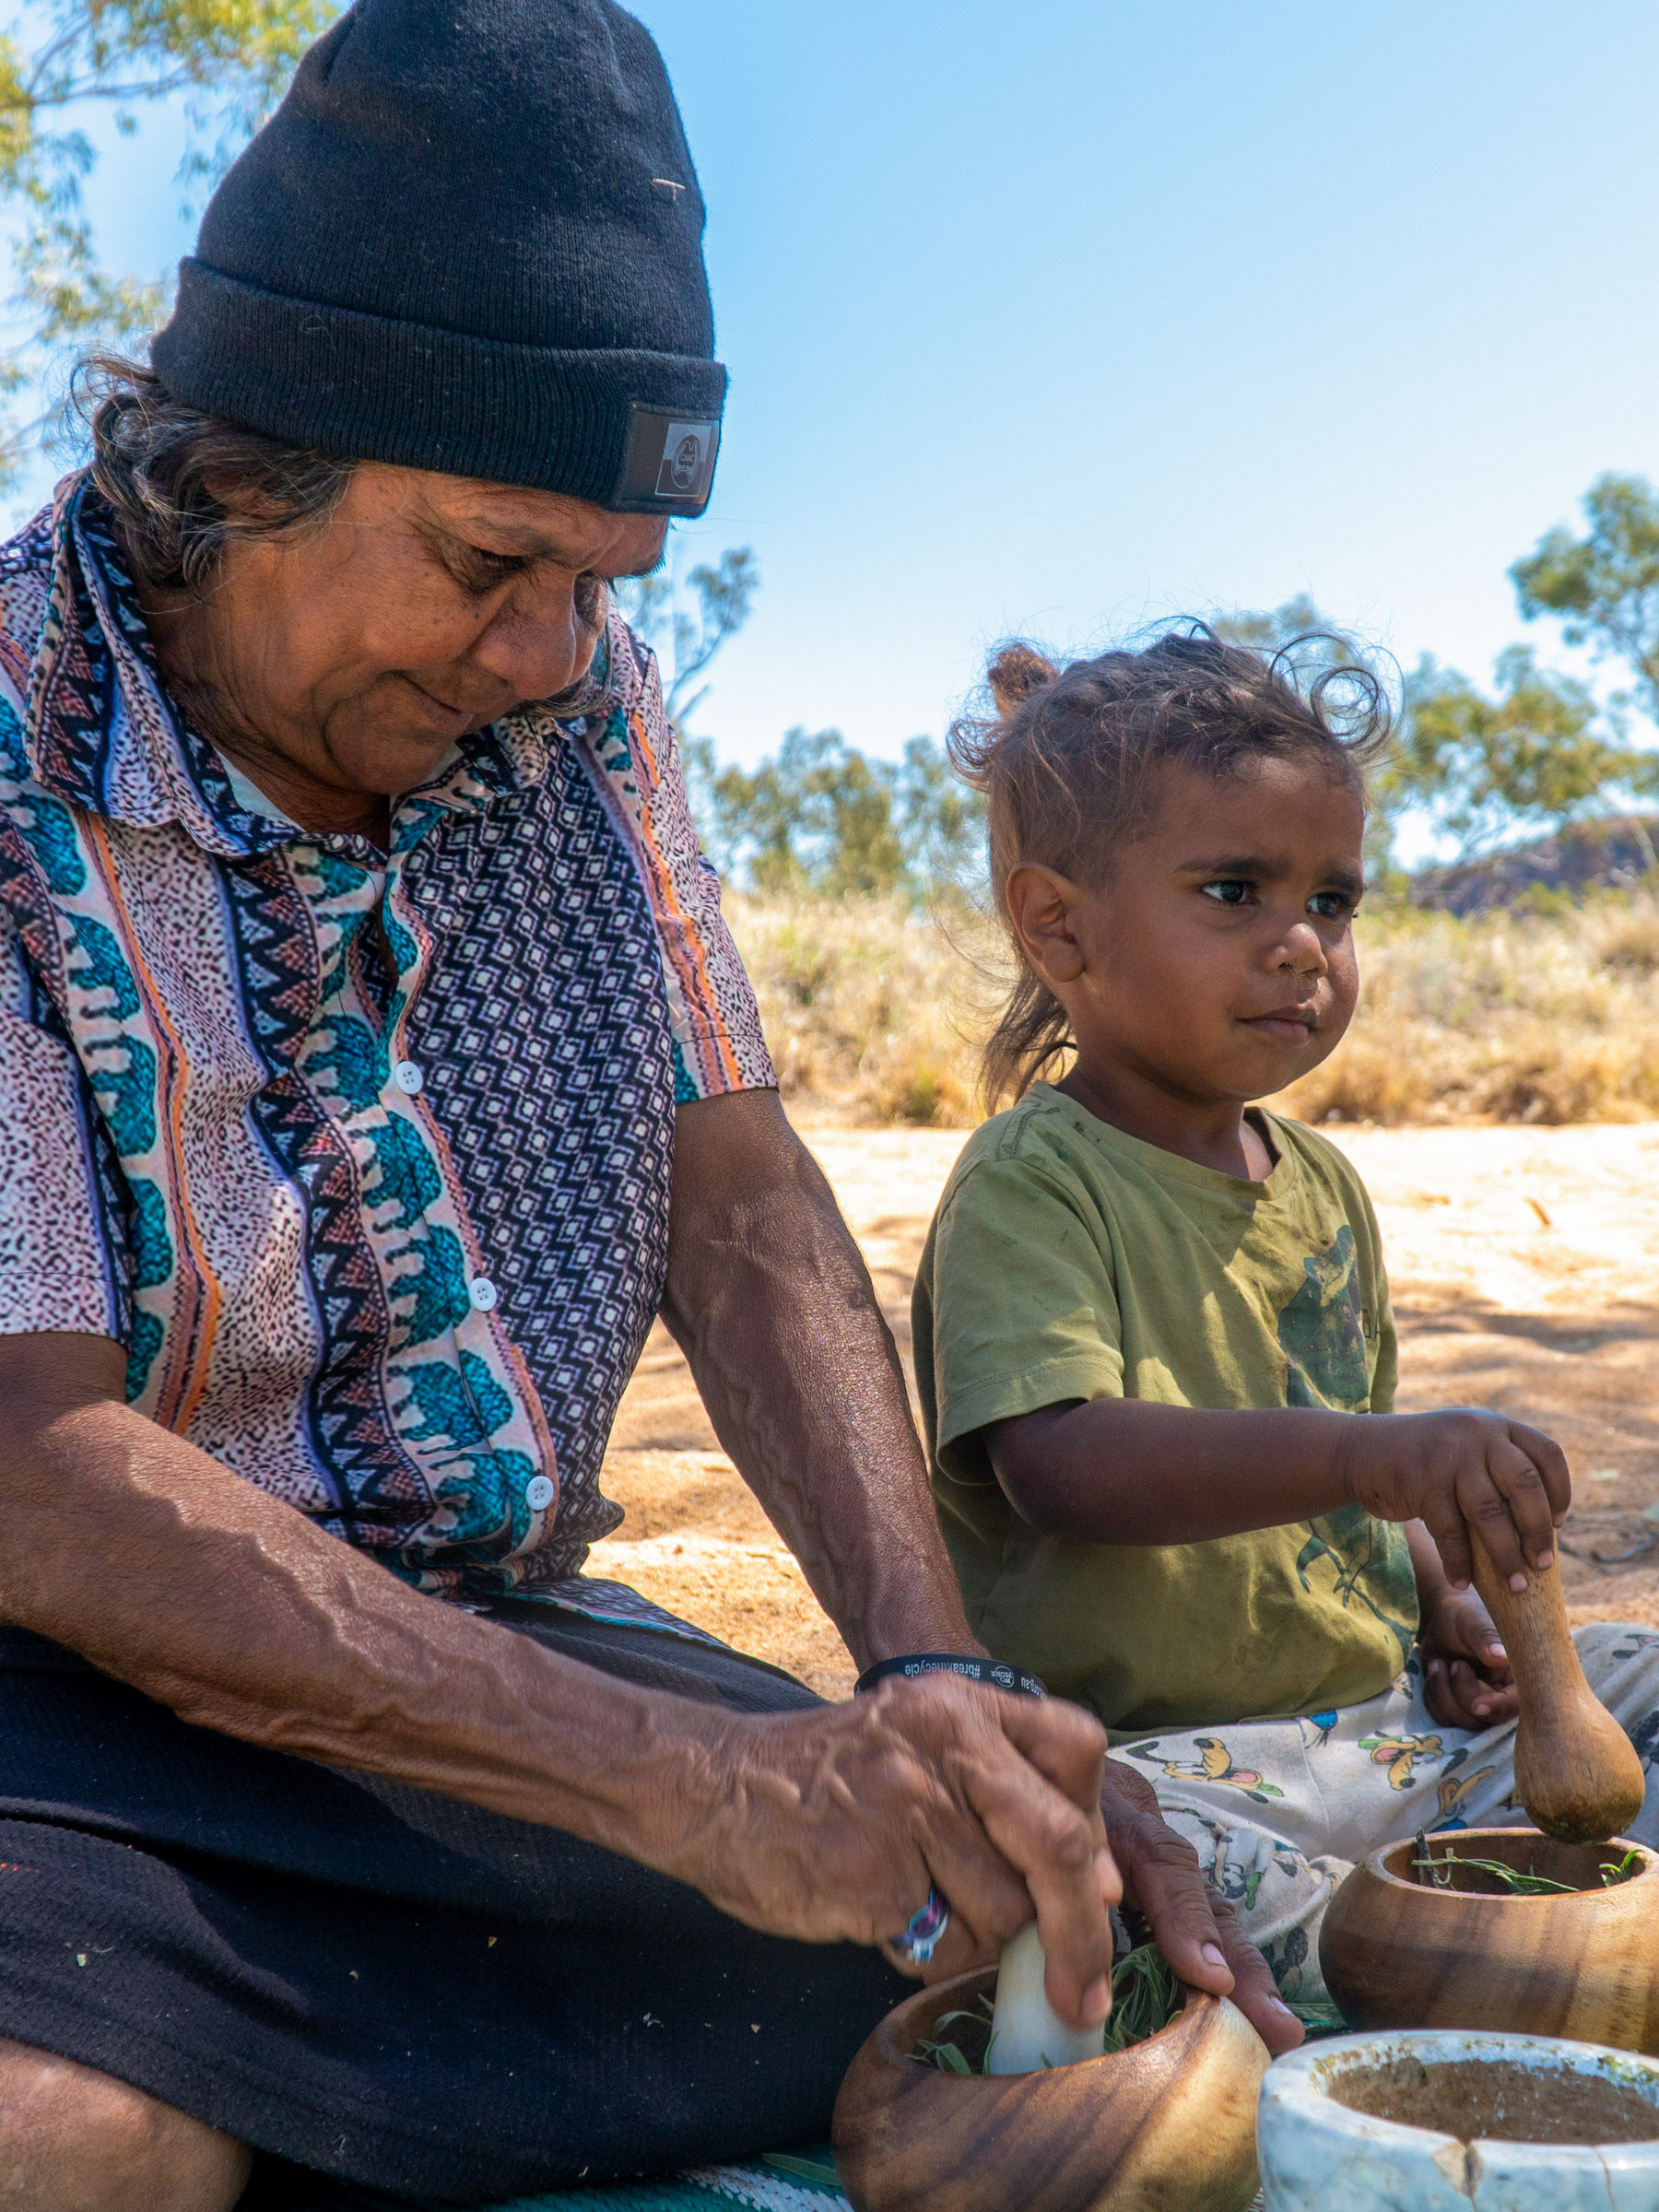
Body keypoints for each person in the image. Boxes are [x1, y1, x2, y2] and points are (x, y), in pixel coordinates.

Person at [0, 7, 1300, 2207]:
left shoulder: (573, 699)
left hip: (471, 1640)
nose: (549, 653)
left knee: (984, 1922)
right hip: (56, 1674)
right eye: (494, 563)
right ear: (232, 471)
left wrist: (929, 1681)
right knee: (79, 2126)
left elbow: (741, 1191)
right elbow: (32, 1468)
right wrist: (680, 1786)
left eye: (605, 583)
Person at [912, 630, 1659, 2012]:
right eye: (1235, 891)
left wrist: (1444, 1603)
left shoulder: (1325, 1186)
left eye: (1335, 897)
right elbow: (1060, 1466)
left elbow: (1366, 1454)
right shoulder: (1035, 1181)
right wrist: (1368, 1460)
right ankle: (1458, 1971)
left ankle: (1478, 1946)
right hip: (1170, 1762)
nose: (1303, 943)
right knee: (1133, 1883)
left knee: (1644, 1680)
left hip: (1390, 1731)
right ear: (1057, 924)